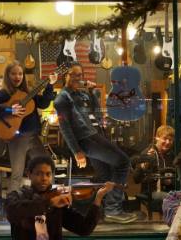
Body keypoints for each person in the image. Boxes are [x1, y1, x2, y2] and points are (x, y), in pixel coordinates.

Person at [54, 62, 133, 223]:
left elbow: (96, 112)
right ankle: (113, 209)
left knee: (105, 174)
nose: (77, 78)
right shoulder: (62, 98)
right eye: (73, 74)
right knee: (123, 162)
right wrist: (76, 151)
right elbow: (65, 128)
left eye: (79, 75)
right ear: (65, 76)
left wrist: (91, 93)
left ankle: (103, 210)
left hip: (96, 135)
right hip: (87, 139)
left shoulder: (81, 94)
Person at [0, 63, 59, 194]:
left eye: (20, 74)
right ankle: (12, 204)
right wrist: (10, 110)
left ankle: (46, 199)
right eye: (13, 74)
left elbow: (44, 104)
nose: (17, 77)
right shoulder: (4, 93)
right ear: (7, 76)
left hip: (33, 137)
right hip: (17, 138)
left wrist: (50, 85)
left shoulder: (29, 93)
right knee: (17, 175)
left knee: (47, 167)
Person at [132, 125, 180, 222]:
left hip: (168, 191)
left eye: (170, 140)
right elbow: (136, 179)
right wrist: (144, 165)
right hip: (151, 192)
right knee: (176, 200)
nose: (168, 142)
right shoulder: (147, 153)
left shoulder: (171, 155)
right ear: (157, 138)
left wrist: (170, 181)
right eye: (165, 139)